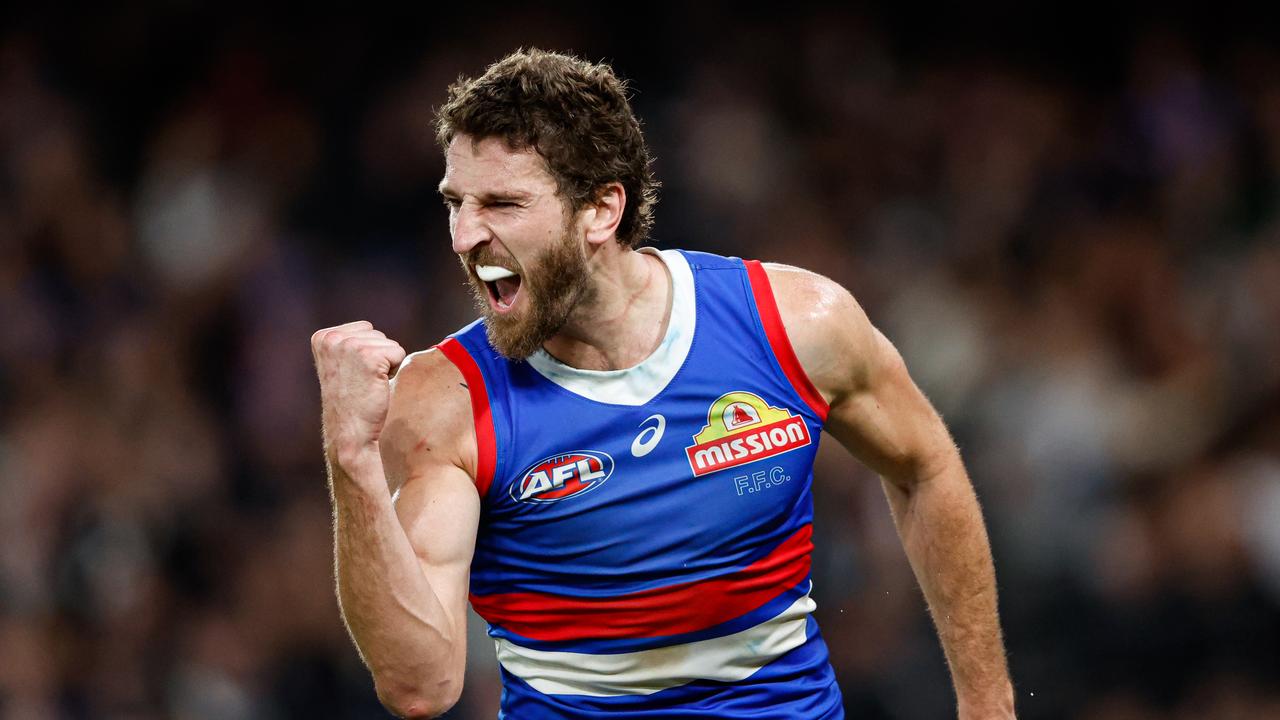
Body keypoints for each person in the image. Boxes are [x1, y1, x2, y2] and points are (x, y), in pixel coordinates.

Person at [311, 48, 1016, 719]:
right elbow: (420, 687)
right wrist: (352, 458)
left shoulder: (792, 325)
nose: (464, 235)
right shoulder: (448, 402)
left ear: (600, 210)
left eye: (501, 204)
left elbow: (925, 469)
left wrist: (988, 706)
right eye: (455, 202)